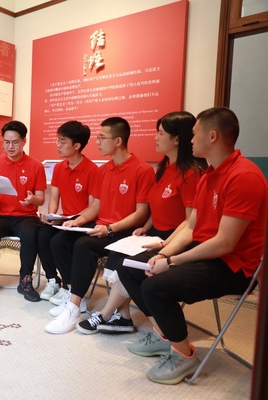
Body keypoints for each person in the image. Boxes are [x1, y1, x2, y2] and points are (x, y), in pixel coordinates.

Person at [118, 107, 267, 385]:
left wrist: (172, 262)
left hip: (234, 266)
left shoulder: (244, 176)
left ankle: (184, 354)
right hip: (206, 252)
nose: (190, 139)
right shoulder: (209, 174)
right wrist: (163, 253)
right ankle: (166, 335)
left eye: (195, 134)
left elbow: (225, 243)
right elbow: (189, 227)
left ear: (213, 136)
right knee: (131, 268)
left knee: (155, 287)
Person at [76, 111, 206, 335]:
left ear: (176, 139)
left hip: (175, 239)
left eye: (161, 133)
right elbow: (157, 205)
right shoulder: (163, 168)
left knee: (126, 264)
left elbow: (189, 223)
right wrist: (146, 226)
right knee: (117, 254)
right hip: (155, 233)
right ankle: (123, 317)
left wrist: (165, 246)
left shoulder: (191, 173)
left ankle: (106, 314)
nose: (156, 137)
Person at [45, 117, 155, 334]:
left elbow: (141, 213)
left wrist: (111, 228)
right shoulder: (103, 170)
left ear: (118, 141)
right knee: (60, 240)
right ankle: (73, 295)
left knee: (83, 245)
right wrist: (77, 220)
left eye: (102, 138)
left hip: (126, 232)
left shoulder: (142, 170)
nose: (97, 142)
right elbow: (96, 207)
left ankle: (74, 307)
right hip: (103, 229)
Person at [0, 120, 47, 302]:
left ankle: (25, 280)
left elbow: (41, 198)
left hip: (26, 216)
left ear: (24, 141)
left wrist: (32, 199)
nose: (10, 146)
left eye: (15, 142)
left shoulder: (36, 166)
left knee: (30, 234)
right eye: (6, 142)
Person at [37, 121, 98, 301]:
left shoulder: (92, 170)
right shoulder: (59, 167)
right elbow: (54, 198)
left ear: (76, 146)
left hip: (84, 221)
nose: (58, 145)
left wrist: (74, 220)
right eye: (58, 140)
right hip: (64, 220)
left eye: (63, 141)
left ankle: (68, 286)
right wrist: (51, 216)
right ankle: (52, 279)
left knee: (58, 242)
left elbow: (93, 207)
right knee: (41, 234)